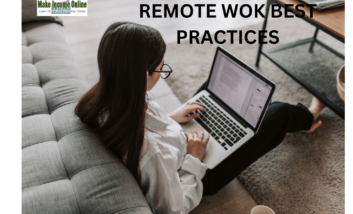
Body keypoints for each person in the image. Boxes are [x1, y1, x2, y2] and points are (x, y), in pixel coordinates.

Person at [75, 22, 326, 214]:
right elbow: (175, 208)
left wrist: (171, 118)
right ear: (142, 74)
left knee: (213, 91)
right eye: (161, 69)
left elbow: (147, 126)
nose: (163, 71)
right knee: (279, 113)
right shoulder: (151, 153)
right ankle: (308, 117)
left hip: (178, 142)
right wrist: (194, 159)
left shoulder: (111, 96)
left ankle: (253, 112)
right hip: (200, 173)